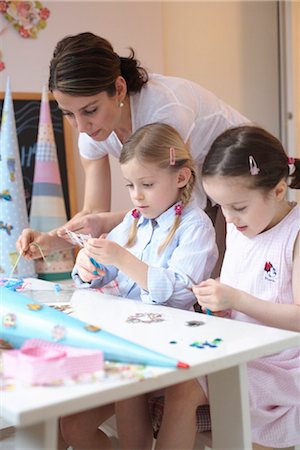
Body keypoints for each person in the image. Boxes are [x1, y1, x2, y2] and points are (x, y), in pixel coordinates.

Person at [115, 125, 300, 450]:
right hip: (239, 345)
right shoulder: (241, 225)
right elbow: (235, 303)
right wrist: (219, 306)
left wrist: (237, 300)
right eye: (221, 206)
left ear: (278, 190)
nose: (228, 218)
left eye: (238, 207)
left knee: (184, 387)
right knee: (145, 369)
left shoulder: (294, 233)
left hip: (282, 364)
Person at [16, 31, 248, 261]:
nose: (82, 126)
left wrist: (107, 224)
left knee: (211, 277)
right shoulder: (92, 132)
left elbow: (173, 205)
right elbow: (94, 212)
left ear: (119, 89)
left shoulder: (164, 111)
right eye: (68, 114)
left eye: (90, 110)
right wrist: (52, 241)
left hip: (242, 172)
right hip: (198, 190)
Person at [58, 122, 218, 450]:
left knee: (126, 388)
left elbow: (178, 290)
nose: (136, 196)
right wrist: (88, 267)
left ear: (181, 177)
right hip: (129, 339)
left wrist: (122, 259)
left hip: (169, 347)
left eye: (146, 184)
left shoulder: (195, 225)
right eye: (130, 185)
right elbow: (106, 273)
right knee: (71, 425)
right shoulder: (134, 220)